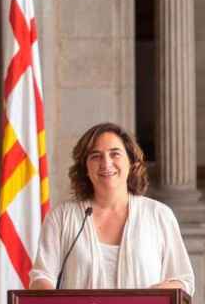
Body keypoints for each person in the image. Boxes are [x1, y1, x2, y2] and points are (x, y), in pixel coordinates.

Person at [29, 122, 194, 295]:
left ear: (132, 162)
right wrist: (49, 298)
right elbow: (42, 275)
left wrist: (149, 297)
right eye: (95, 156)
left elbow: (183, 280)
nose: (106, 163)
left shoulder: (159, 215)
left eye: (115, 154)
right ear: (85, 167)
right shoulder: (62, 217)